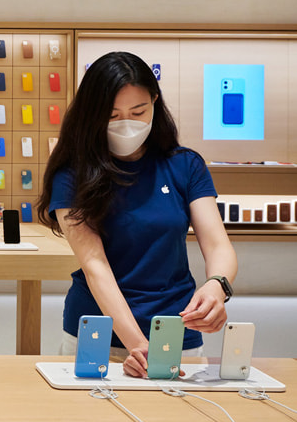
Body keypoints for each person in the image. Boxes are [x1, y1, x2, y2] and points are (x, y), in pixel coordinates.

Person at [37, 51, 237, 377]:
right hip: (98, 332)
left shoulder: (185, 165)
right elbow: (95, 265)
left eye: (138, 111)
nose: (126, 123)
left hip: (176, 329)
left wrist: (217, 286)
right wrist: (139, 346)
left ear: (155, 103)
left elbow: (218, 245)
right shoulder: (73, 174)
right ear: (92, 115)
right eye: (112, 115)